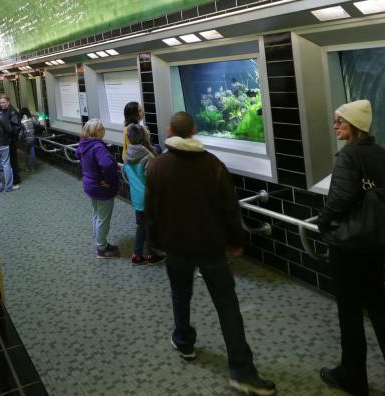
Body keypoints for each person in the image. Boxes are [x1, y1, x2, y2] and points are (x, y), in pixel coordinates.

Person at [145, 111, 276, 396]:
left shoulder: (157, 167)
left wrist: (156, 241)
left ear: (170, 132)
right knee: (228, 307)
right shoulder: (214, 165)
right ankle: (242, 372)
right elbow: (230, 209)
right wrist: (236, 241)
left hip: (176, 248)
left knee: (180, 296)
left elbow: (150, 212)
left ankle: (184, 342)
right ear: (193, 130)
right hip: (211, 248)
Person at [315, 99, 385, 396]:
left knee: (349, 314)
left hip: (348, 245)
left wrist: (322, 223)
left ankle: (352, 377)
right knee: (380, 309)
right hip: (374, 243)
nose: (335, 126)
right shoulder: (378, 152)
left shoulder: (349, 155)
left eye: (339, 121)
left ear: (353, 126)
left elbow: (340, 199)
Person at [77, 119, 120, 258]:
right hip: (101, 188)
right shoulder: (98, 146)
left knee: (97, 215)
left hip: (90, 185)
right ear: (97, 131)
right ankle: (101, 249)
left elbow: (77, 154)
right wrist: (108, 180)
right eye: (102, 128)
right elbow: (107, 165)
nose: (104, 130)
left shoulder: (84, 143)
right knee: (103, 218)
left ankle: (101, 243)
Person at [124, 123, 165, 266]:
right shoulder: (148, 156)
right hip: (149, 198)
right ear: (144, 137)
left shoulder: (127, 155)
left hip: (136, 197)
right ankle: (151, 254)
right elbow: (152, 178)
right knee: (151, 226)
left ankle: (137, 254)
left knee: (141, 225)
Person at [0, 96, 22, 188]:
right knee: (10, 160)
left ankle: (16, 179)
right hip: (8, 139)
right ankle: (14, 178)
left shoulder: (12, 112)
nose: (1, 104)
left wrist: (8, 133)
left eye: (3, 102)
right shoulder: (5, 111)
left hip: (11, 140)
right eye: (0, 103)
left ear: (8, 102)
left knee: (13, 160)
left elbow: (16, 127)